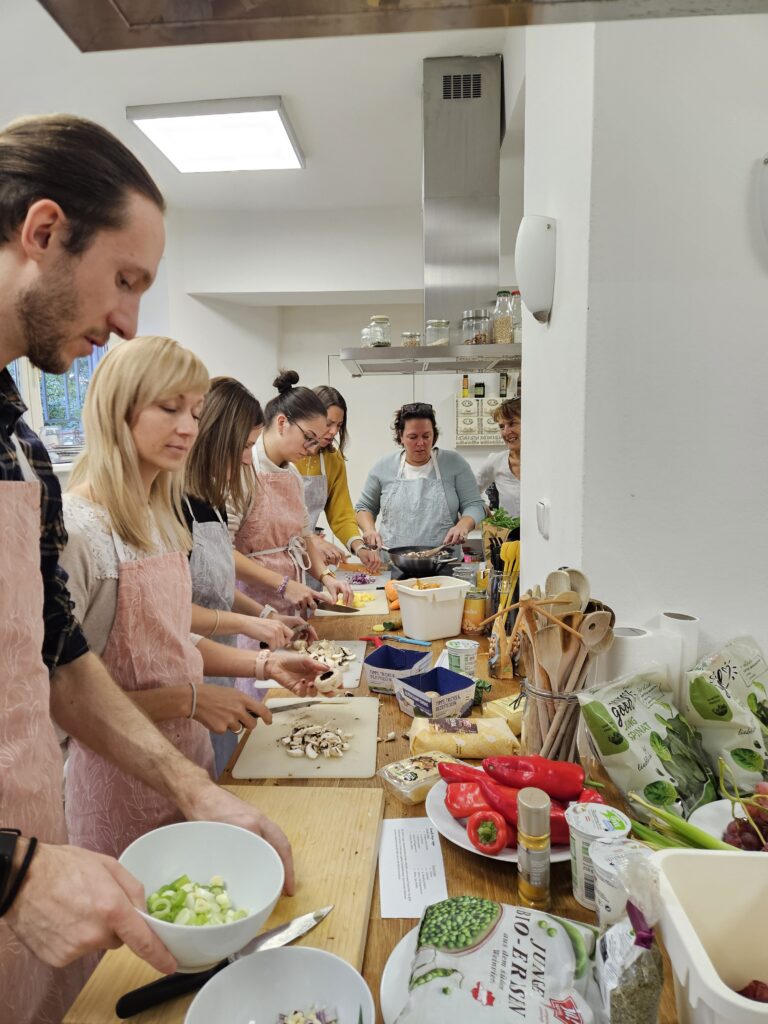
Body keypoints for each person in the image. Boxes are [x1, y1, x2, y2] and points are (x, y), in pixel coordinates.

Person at [0, 113, 291, 1024]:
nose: (128, 319)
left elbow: (57, 658)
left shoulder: (16, 446)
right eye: (124, 281)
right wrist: (13, 871)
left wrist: (193, 784)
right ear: (43, 233)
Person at [184, 375, 320, 774]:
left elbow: (220, 587)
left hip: (217, 665)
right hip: (187, 681)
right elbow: (176, 615)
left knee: (226, 770)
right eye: (243, 446)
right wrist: (261, 614)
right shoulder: (175, 509)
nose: (248, 458)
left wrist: (267, 617)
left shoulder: (208, 503)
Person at [230, 371, 352, 622]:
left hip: (290, 603)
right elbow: (222, 553)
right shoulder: (243, 468)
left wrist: (325, 575)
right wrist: (284, 585)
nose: (311, 449)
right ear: (283, 423)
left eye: (316, 442)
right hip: (250, 609)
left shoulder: (293, 475)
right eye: (308, 438)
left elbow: (304, 535)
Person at [355, 402, 485, 558]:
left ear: (434, 435)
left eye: (426, 436)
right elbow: (364, 507)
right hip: (393, 562)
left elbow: (475, 505)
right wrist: (369, 530)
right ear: (401, 436)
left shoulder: (454, 463)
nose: (421, 443)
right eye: (413, 437)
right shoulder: (383, 467)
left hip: (443, 561)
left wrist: (463, 526)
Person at [293, 385, 382, 577]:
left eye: (339, 426)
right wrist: (312, 540)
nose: (333, 431)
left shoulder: (333, 459)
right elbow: (276, 517)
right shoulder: (289, 454)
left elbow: (340, 514)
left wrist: (359, 548)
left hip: (312, 560)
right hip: (279, 557)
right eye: (328, 423)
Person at [475, 397, 521, 517]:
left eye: (512, 424)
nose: (506, 432)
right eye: (501, 426)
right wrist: (489, 517)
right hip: (508, 535)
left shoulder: (542, 463)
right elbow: (470, 492)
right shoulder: (496, 461)